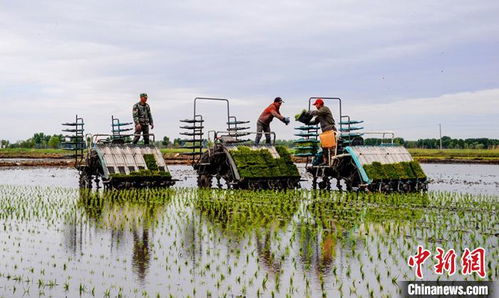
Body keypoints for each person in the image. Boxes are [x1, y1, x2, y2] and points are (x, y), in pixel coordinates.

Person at [308, 98, 337, 165]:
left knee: (331, 147)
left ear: (319, 104)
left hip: (330, 130)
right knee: (324, 147)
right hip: (325, 132)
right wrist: (308, 122)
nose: (315, 106)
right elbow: (315, 121)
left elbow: (317, 112)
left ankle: (333, 162)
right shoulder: (320, 114)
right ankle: (325, 162)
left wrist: (309, 112)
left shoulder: (325, 109)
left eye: (316, 104)